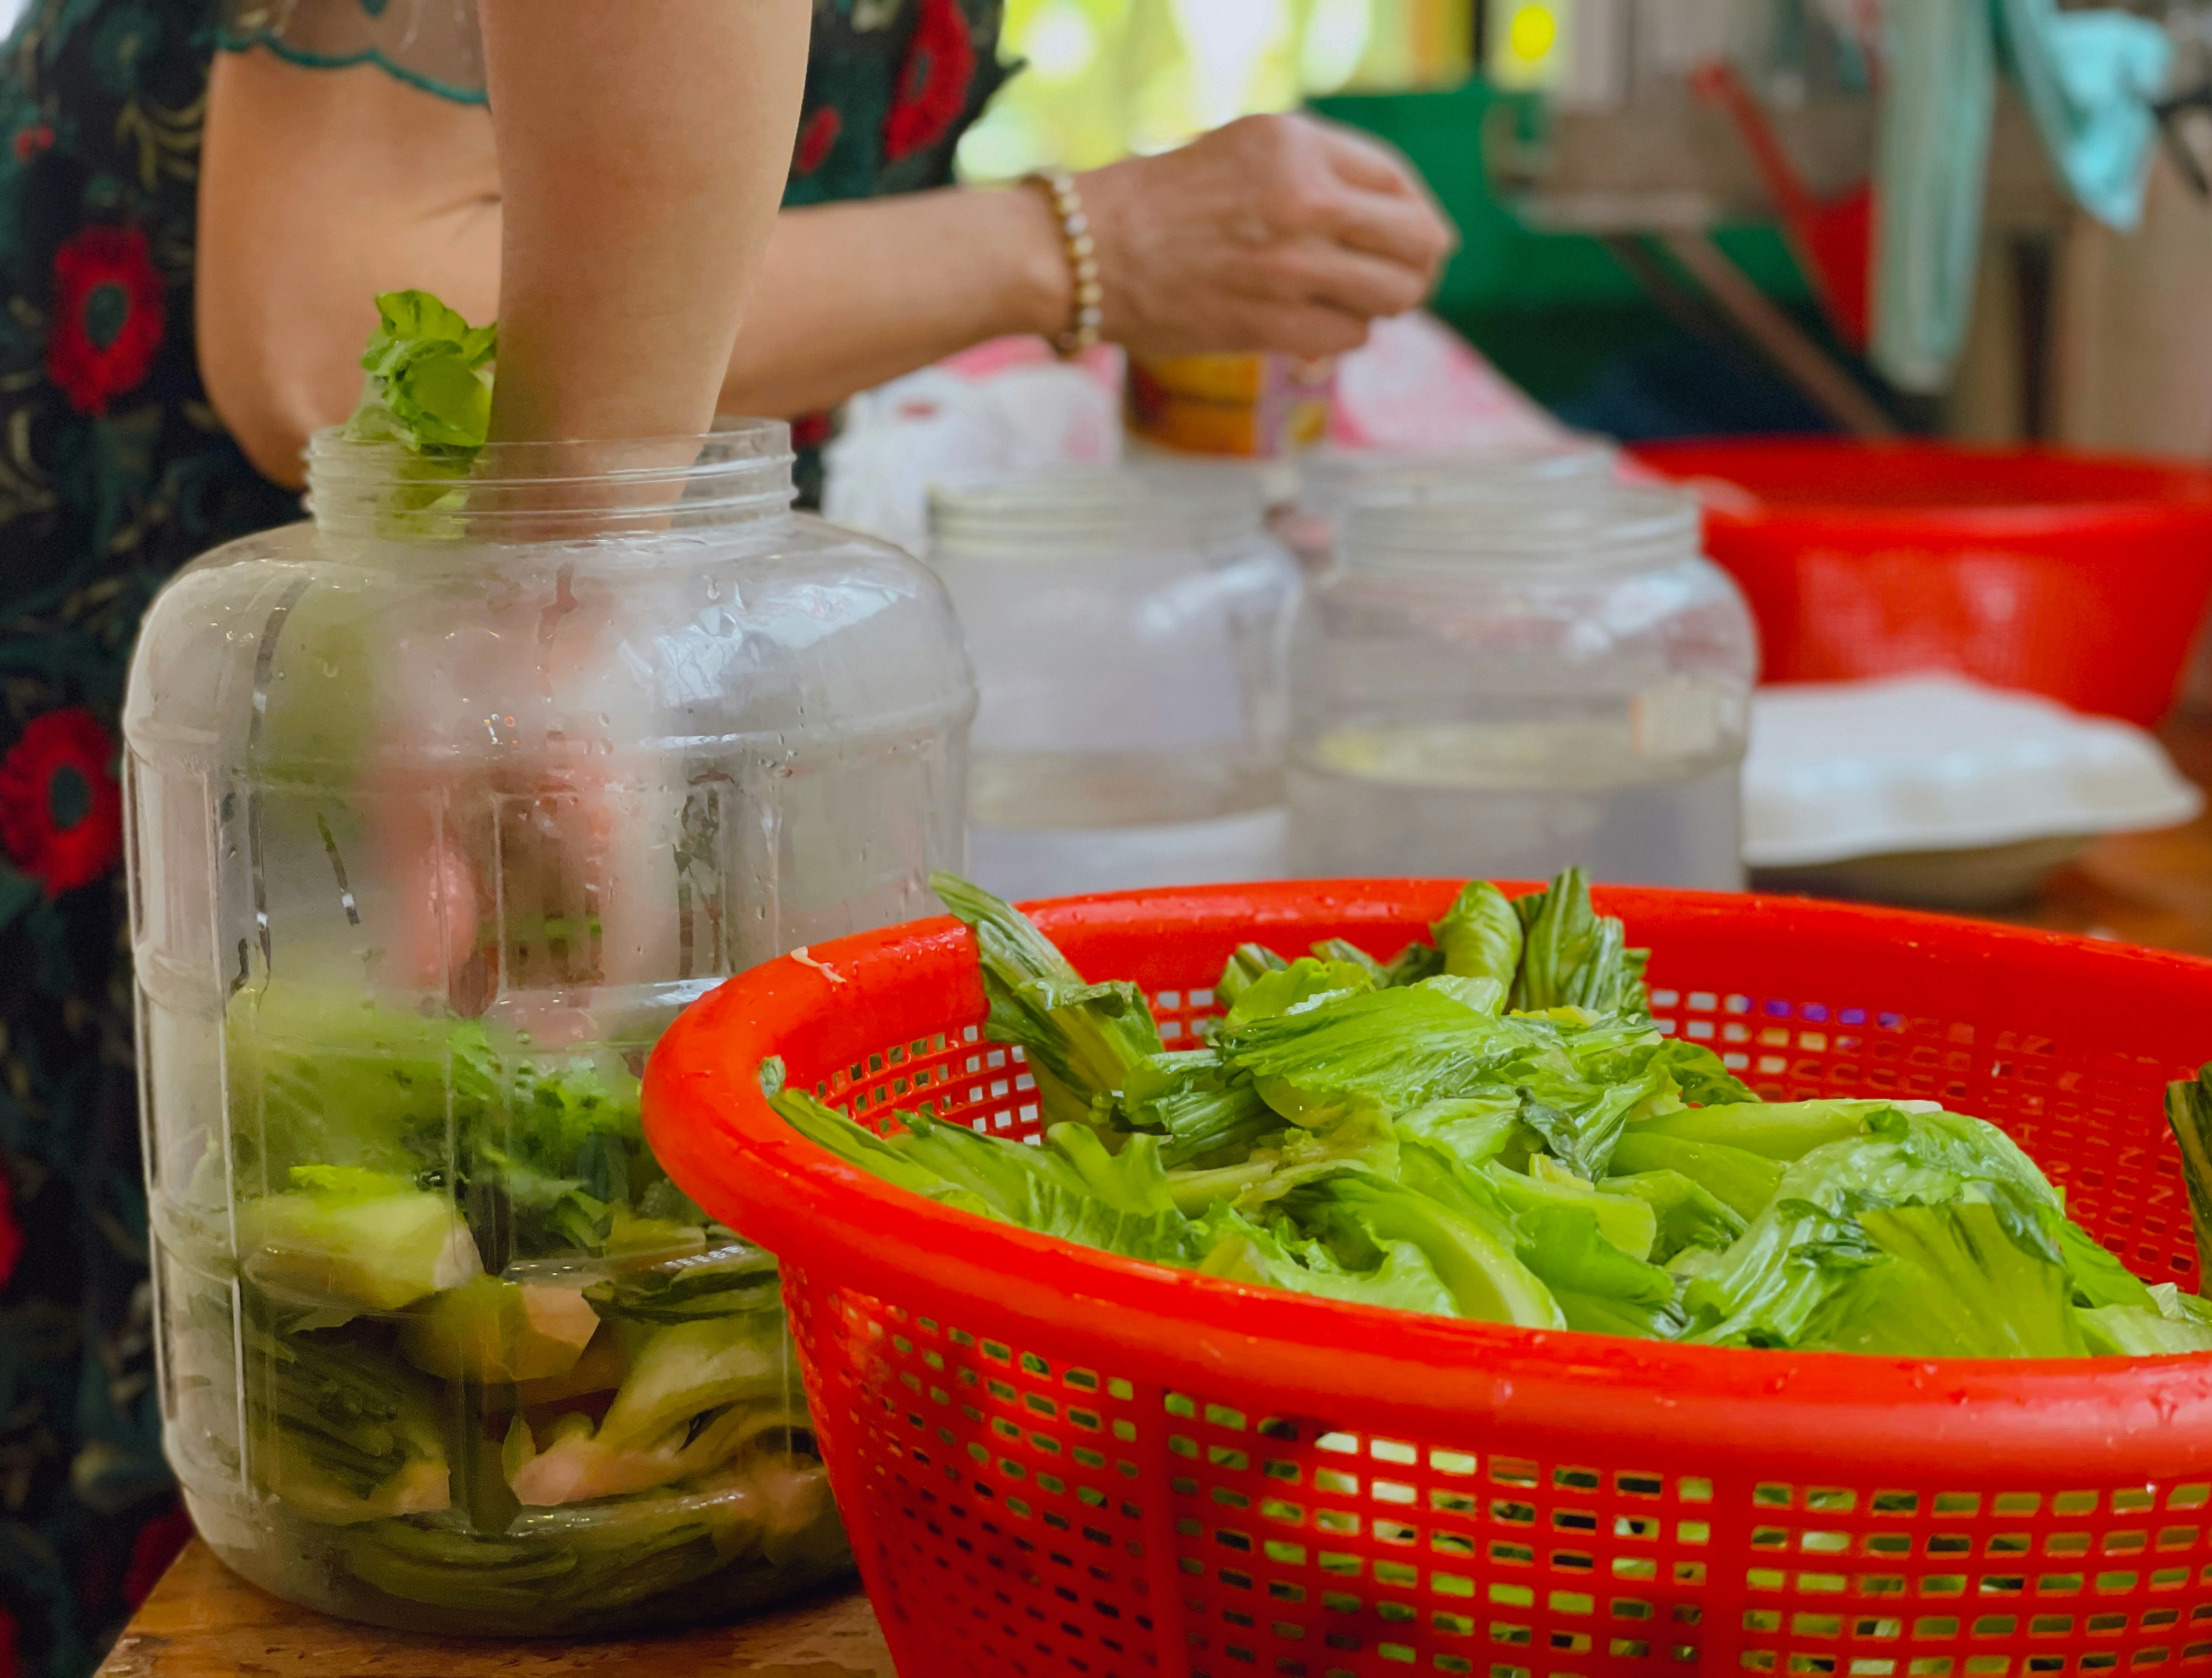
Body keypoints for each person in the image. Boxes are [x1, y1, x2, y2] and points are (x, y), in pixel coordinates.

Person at [0, 3, 1452, 1673]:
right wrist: (1077, 241)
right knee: (244, 1442)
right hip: (287, 648)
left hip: (553, 633)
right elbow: (322, 341)